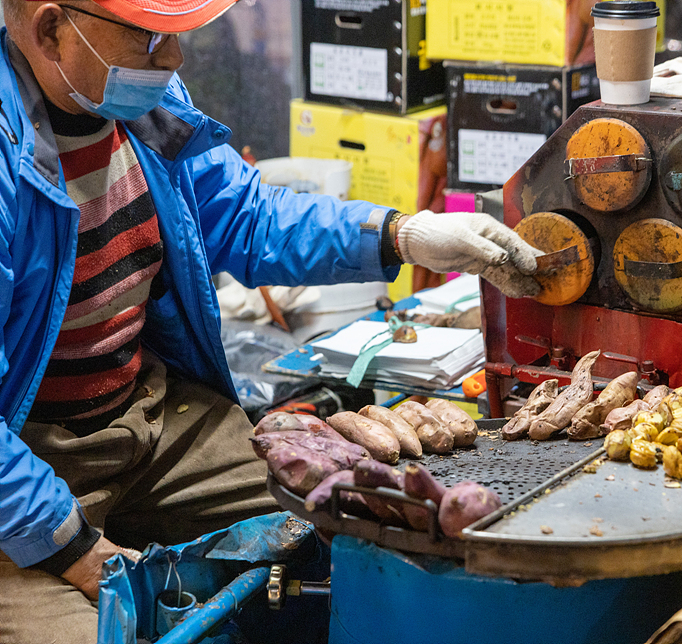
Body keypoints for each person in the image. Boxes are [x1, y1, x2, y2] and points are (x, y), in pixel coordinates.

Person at [0, 0, 541, 641]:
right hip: (26, 463)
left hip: (150, 418)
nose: (174, 60)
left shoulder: (133, 101)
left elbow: (243, 215)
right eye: (150, 38)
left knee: (347, 536)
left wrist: (403, 235)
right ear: (52, 28)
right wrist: (78, 552)